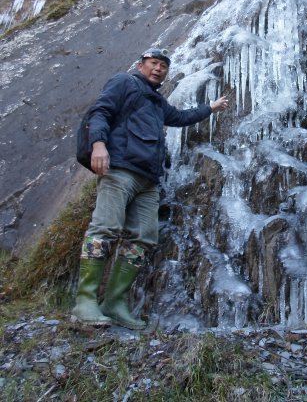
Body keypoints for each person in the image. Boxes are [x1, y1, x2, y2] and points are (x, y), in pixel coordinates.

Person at [71, 47, 228, 329]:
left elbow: (180, 118)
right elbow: (101, 112)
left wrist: (210, 108)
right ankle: (85, 301)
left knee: (143, 238)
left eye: (163, 66)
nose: (159, 69)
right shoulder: (124, 82)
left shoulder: (157, 102)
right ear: (141, 63)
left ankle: (115, 303)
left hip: (149, 180)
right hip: (119, 169)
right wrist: (98, 145)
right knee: (104, 228)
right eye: (154, 63)